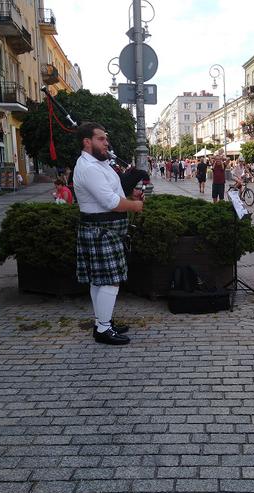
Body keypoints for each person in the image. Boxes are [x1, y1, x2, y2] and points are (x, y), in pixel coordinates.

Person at [73, 122, 144, 345]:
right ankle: (103, 329)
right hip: (100, 230)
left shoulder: (99, 163)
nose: (106, 143)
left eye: (106, 139)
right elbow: (111, 202)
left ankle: (102, 322)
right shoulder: (89, 167)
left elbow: (115, 190)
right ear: (87, 142)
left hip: (104, 231)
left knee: (100, 281)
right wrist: (135, 206)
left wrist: (130, 194)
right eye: (101, 139)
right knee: (109, 281)